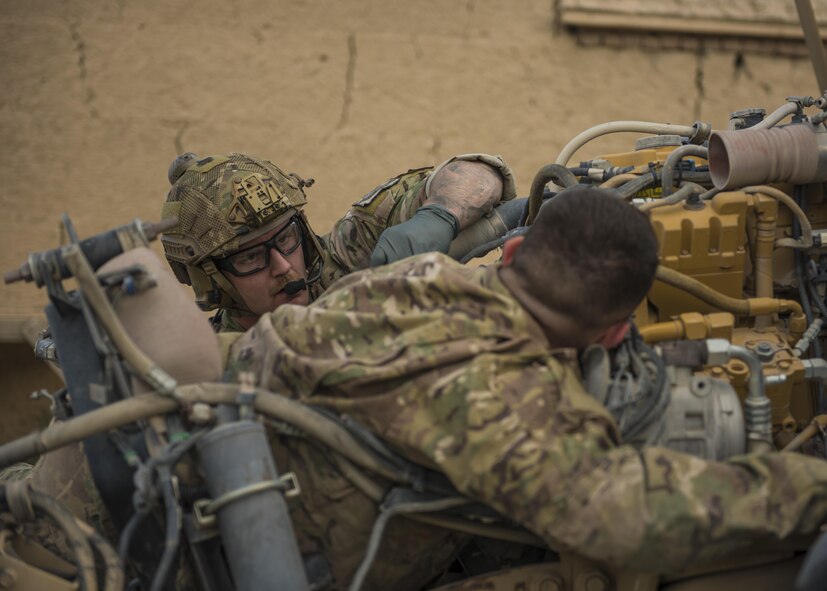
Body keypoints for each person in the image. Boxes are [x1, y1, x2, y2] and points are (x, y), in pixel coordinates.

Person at [224, 186, 827, 588]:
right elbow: (624, 515)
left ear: (509, 251)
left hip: (234, 478)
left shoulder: (412, 278)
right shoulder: (510, 402)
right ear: (617, 333)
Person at [160, 151, 517, 331]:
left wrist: (440, 213)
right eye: (250, 259)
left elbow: (478, 173)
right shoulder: (215, 362)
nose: (283, 266)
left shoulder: (349, 252)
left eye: (286, 238)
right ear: (211, 279)